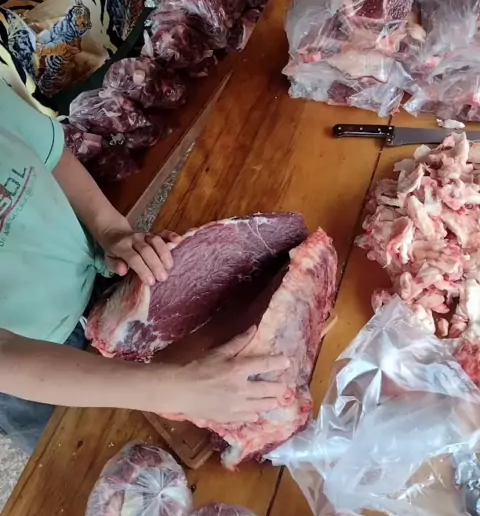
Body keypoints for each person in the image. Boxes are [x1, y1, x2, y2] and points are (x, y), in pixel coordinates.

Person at [0, 81, 289, 454]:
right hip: (36, 370)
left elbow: (49, 152)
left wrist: (110, 229)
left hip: (100, 278)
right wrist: (176, 390)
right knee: (104, 461)